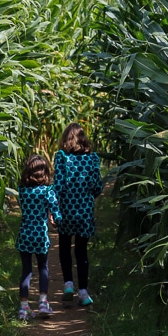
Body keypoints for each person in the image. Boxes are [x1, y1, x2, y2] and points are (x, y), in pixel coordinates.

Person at [54, 123, 102, 306]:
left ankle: (68, 285)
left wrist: (53, 207)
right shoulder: (92, 159)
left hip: (66, 211)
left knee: (65, 247)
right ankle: (83, 292)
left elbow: (58, 185)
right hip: (85, 212)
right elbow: (97, 186)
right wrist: (88, 197)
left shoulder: (62, 158)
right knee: (81, 251)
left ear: (66, 139)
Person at [16, 153, 61, 322]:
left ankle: (24, 307)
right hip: (40, 236)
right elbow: (56, 214)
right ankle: (43, 302)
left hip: (25, 235)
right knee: (43, 268)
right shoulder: (48, 191)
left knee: (26, 271)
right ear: (45, 173)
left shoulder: (22, 191)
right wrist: (54, 220)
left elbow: (24, 208)